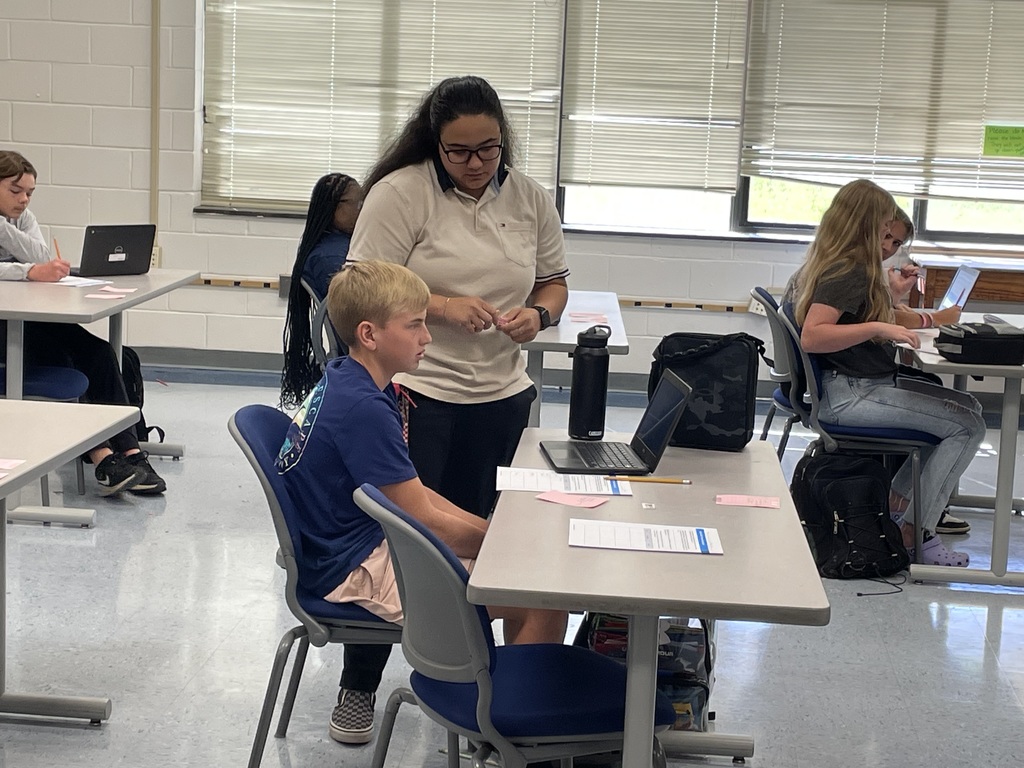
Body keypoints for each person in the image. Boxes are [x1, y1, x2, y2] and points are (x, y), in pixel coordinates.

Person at [276, 260, 567, 745]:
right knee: (539, 596)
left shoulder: (351, 379)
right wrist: (503, 540)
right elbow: (423, 518)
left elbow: (413, 493)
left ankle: (506, 719)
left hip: (354, 547)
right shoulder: (364, 409)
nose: (427, 337)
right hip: (352, 569)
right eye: (414, 325)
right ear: (369, 334)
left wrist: (495, 532)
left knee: (517, 566)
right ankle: (509, 737)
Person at [349, 74, 569, 519]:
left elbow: (554, 284)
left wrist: (539, 315)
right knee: (419, 526)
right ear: (436, 144)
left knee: (479, 514)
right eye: (459, 152)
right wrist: (443, 307)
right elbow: (361, 283)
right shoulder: (401, 193)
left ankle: (472, 586)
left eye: (489, 148)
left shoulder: (531, 199)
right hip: (420, 389)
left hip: (501, 393)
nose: (476, 163)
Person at [790, 178, 986, 567]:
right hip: (852, 395)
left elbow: (855, 313)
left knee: (966, 407)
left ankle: (897, 508)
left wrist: (890, 309)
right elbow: (814, 335)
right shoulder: (848, 271)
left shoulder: (834, 262)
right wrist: (880, 328)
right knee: (967, 426)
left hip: (847, 389)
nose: (888, 236)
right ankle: (916, 534)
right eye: (884, 227)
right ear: (865, 224)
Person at [0, 150, 165, 496]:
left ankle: (131, 450)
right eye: (16, 191)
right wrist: (26, 270)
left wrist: (30, 264)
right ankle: (103, 457)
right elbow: (31, 265)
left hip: (30, 317)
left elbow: (42, 256)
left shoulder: (23, 217)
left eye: (30, 192)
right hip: (5, 327)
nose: (24, 199)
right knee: (61, 358)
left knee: (100, 351)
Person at [280, 172, 362, 409]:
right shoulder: (332, 257)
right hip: (359, 348)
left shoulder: (334, 246)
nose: (362, 209)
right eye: (356, 203)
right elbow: (360, 307)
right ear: (332, 208)